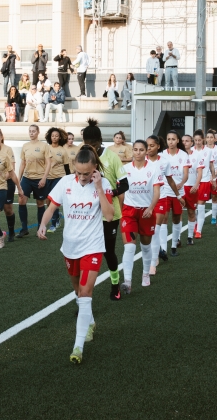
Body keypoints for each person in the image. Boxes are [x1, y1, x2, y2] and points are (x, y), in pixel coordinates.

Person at [39, 144, 114, 364]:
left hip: (92, 247)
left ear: (95, 170)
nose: (82, 177)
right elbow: (51, 208)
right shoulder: (64, 183)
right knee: (78, 292)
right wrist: (43, 224)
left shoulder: (103, 183)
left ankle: (78, 346)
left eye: (87, 173)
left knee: (85, 292)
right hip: (70, 247)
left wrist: (99, 187)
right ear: (74, 167)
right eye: (79, 172)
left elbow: (109, 216)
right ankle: (89, 321)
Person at [80, 119, 128, 300]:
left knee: (108, 251)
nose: (90, 147)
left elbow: (125, 184)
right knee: (86, 252)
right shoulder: (81, 155)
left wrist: (109, 193)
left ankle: (115, 285)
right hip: (87, 214)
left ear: (100, 141)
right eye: (87, 144)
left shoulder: (111, 157)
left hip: (110, 214)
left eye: (93, 144)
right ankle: (83, 293)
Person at [120, 140, 164, 293]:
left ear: (146, 152)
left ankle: (146, 274)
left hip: (147, 212)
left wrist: (151, 208)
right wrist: (121, 212)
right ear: (132, 151)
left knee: (145, 246)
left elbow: (157, 192)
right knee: (130, 246)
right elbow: (121, 193)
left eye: (141, 150)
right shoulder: (124, 169)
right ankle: (127, 281)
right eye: (135, 149)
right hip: (129, 212)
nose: (138, 152)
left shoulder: (154, 169)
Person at [146, 135, 184, 272]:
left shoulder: (164, 162)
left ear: (158, 146)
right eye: (147, 145)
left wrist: (178, 196)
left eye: (151, 145)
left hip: (161, 197)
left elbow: (170, 180)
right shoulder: (141, 160)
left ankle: (153, 260)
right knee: (146, 232)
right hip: (144, 199)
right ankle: (157, 252)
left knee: (155, 229)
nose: (148, 148)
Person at [16, 125, 52, 238]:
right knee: (21, 200)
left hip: (39, 179)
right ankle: (24, 229)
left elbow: (49, 163)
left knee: (40, 203)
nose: (31, 133)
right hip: (27, 178)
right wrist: (19, 179)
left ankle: (39, 228)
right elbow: (23, 163)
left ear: (38, 132)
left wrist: (44, 178)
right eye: (30, 131)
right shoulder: (25, 146)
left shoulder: (44, 146)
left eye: (33, 131)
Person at [160, 131, 190, 257]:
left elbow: (186, 174)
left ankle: (173, 245)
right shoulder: (161, 155)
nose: (171, 141)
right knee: (164, 219)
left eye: (173, 139)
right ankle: (163, 249)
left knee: (176, 218)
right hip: (165, 190)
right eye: (168, 139)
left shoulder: (183, 155)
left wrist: (181, 183)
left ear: (178, 141)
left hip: (179, 191)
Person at [0, 128, 20, 243]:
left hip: (6, 183)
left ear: (1, 137)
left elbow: (11, 169)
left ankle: (11, 232)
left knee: (8, 209)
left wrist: (1, 179)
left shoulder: (8, 150)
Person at [188, 130, 217, 240]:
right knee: (193, 207)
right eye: (195, 140)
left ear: (203, 140)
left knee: (201, 206)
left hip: (204, 181)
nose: (197, 142)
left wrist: (213, 179)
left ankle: (199, 231)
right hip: (192, 182)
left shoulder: (209, 151)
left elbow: (211, 166)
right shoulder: (190, 152)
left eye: (199, 140)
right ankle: (195, 223)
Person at [44, 127, 71, 233]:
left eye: (56, 136)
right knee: (48, 200)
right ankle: (57, 215)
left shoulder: (63, 151)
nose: (54, 137)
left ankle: (53, 224)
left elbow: (66, 167)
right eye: (53, 136)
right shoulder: (46, 148)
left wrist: (69, 179)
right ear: (50, 137)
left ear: (60, 137)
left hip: (58, 177)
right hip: (47, 177)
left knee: (53, 200)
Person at [205, 130, 217, 226]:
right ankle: (198, 218)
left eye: (211, 137)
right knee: (201, 198)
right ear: (205, 139)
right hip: (203, 177)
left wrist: (216, 174)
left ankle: (213, 217)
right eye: (207, 137)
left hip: (215, 176)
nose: (209, 139)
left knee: (214, 197)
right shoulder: (202, 149)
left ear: (214, 139)